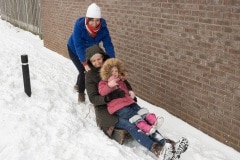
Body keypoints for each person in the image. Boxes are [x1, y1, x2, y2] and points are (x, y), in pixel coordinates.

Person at [85, 45, 188, 159]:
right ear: (90, 62)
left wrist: (130, 92)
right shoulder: (90, 76)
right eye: (93, 61)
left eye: (99, 59)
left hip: (123, 102)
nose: (97, 62)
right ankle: (156, 149)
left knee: (144, 118)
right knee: (132, 124)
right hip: (106, 110)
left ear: (103, 57)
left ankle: (168, 145)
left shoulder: (111, 67)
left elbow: (125, 82)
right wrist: (109, 97)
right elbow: (93, 98)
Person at [98, 58, 161, 135]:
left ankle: (154, 121)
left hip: (128, 102)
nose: (114, 73)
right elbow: (102, 92)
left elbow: (125, 90)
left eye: (116, 71)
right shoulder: (103, 83)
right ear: (107, 72)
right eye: (112, 71)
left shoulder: (120, 81)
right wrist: (109, 85)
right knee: (133, 116)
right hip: (118, 107)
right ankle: (146, 128)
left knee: (140, 110)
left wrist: (130, 93)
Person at [67, 3, 115, 103]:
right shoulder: (79, 26)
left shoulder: (103, 28)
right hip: (74, 50)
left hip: (90, 52)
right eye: (92, 20)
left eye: (97, 20)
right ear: (87, 19)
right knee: (83, 71)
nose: (95, 23)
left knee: (91, 69)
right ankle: (80, 93)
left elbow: (108, 45)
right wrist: (84, 63)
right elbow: (78, 45)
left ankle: (78, 84)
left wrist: (112, 62)